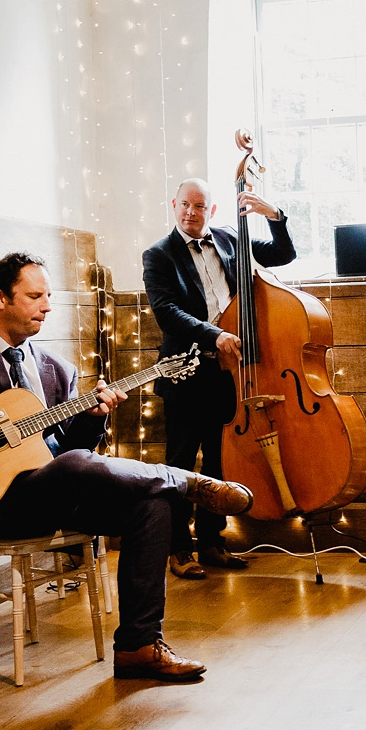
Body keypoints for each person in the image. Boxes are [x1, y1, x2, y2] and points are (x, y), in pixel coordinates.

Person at [0, 252, 255, 683]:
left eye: (49, 296)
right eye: (35, 296)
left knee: (151, 503)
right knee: (89, 469)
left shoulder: (57, 368)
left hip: (50, 493)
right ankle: (184, 480)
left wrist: (94, 418)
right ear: (0, 297)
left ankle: (138, 648)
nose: (47, 306)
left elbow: (66, 452)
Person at [143, 177, 297, 578]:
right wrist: (216, 333)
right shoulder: (158, 255)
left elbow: (284, 254)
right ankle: (179, 549)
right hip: (184, 371)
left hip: (229, 373)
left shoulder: (230, 239)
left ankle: (212, 542)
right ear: (174, 205)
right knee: (179, 465)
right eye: (185, 205)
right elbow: (166, 312)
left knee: (218, 461)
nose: (192, 213)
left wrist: (274, 216)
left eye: (200, 206)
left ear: (211, 210)